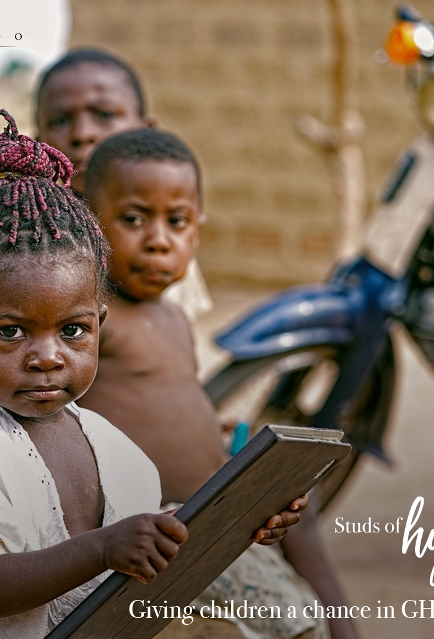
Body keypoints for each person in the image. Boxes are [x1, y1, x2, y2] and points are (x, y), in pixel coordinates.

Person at [0, 109, 304, 638]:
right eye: (11, 333)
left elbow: (145, 551)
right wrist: (104, 548)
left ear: (99, 327)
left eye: (72, 331)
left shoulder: (112, 449)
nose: (47, 357)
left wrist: (238, 522)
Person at [78, 128, 357, 639]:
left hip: (211, 524)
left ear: (198, 231)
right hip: (147, 535)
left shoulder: (174, 321)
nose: (159, 239)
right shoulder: (94, 319)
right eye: (133, 219)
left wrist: (224, 449)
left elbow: (168, 402)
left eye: (177, 221)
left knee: (296, 617)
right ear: (89, 223)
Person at [34, 47, 212, 321]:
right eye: (59, 120)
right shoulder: (30, 241)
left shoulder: (162, 238)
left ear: (145, 129)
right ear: (39, 142)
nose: (83, 134)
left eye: (104, 114)